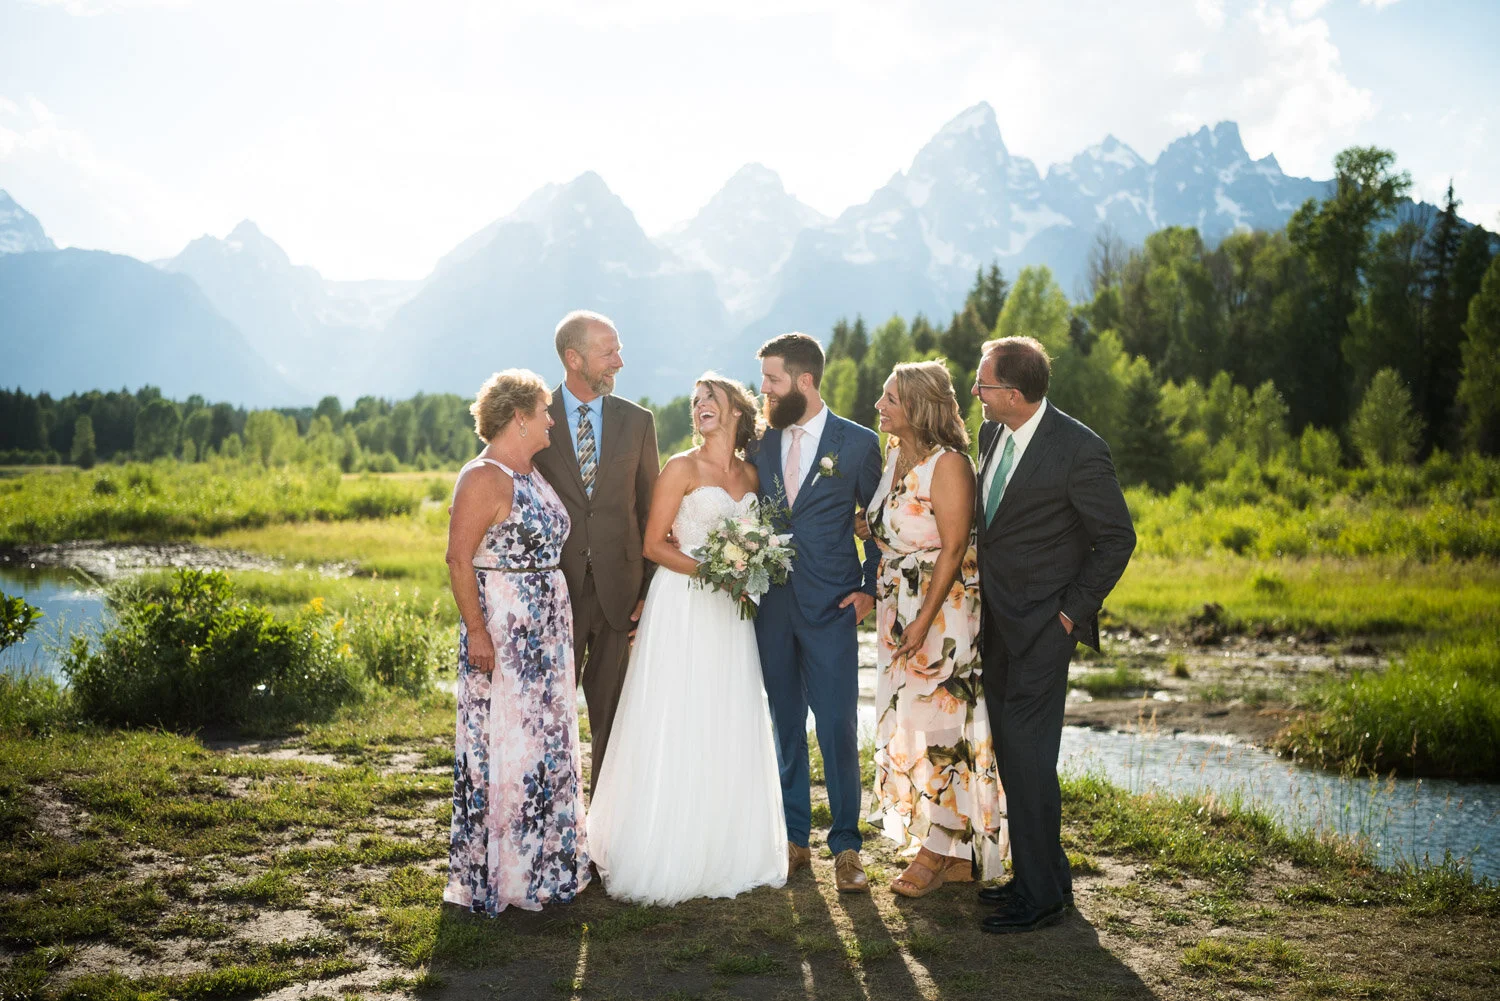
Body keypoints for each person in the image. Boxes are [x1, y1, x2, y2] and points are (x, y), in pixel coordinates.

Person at [586, 375, 787, 905]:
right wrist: (714, 571)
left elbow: (762, 536)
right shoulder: (680, 468)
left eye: (711, 400)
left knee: (725, 714)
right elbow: (653, 544)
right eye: (696, 401)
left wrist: (750, 568)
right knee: (676, 714)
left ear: (737, 411)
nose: (700, 407)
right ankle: (661, 845)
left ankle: (724, 846)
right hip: (684, 604)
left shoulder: (753, 474)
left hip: (732, 616)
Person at [970, 337, 1136, 934]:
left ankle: (1039, 900)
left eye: (982, 385)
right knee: (1018, 757)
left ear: (1012, 394)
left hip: (1044, 628)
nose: (975, 393)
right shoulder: (992, 435)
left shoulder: (1079, 449)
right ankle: (1046, 878)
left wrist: (1070, 614)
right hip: (996, 623)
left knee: (1029, 757)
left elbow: (1117, 539)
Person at [443, 369, 589, 914]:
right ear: (520, 417)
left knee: (545, 742)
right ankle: (506, 874)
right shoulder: (483, 476)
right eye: (546, 411)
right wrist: (478, 632)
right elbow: (460, 559)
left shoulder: (530, 471)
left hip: (547, 631)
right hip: (505, 633)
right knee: (509, 742)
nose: (553, 420)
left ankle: (547, 864)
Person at [866, 360, 1006, 897]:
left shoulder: (950, 465)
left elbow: (952, 548)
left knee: (943, 726)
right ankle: (952, 847)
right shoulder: (896, 456)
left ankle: (940, 848)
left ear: (919, 407)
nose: (879, 406)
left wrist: (923, 620)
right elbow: (898, 523)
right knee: (916, 724)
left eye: (890, 399)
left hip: (942, 611)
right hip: (897, 606)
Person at [752, 333, 883, 893]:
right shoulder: (759, 443)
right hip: (772, 606)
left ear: (805, 381)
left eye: (772, 380)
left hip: (832, 606)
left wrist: (871, 586)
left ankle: (848, 848)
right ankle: (794, 839)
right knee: (785, 724)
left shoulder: (857, 444)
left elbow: (882, 522)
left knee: (836, 726)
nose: (765, 391)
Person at [531, 310, 660, 794]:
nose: (620, 362)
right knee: (548, 717)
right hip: (551, 592)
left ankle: (602, 835)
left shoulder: (638, 422)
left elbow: (651, 511)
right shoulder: (532, 416)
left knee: (614, 717)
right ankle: (555, 825)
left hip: (620, 594)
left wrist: (648, 589)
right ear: (573, 357)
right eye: (609, 352)